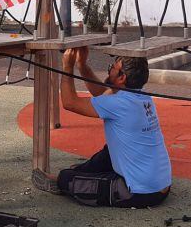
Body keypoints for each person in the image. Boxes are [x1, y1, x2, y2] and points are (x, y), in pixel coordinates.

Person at [35, 46, 171, 208]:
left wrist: (67, 67)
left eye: (112, 69)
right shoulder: (141, 96)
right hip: (161, 184)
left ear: (122, 78)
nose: (109, 71)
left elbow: (70, 102)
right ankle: (81, 172)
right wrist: (82, 65)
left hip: (141, 193)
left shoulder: (118, 103)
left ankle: (65, 180)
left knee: (67, 179)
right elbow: (101, 94)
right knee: (108, 153)